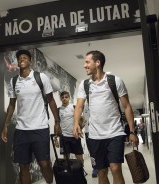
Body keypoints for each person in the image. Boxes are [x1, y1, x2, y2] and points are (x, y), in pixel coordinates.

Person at [73, 50, 139, 184]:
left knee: (115, 169)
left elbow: (127, 106)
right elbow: (79, 106)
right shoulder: (85, 85)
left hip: (115, 132)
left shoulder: (115, 81)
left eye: (87, 62)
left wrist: (132, 131)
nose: (84, 65)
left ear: (97, 63)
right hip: (95, 135)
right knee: (102, 171)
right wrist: (75, 123)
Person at [1, 50, 61, 184]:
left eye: (24, 57)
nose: (21, 59)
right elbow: (11, 105)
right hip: (21, 130)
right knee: (23, 166)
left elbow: (51, 100)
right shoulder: (14, 81)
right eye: (19, 58)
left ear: (30, 61)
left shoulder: (41, 77)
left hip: (40, 128)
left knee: (44, 164)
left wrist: (57, 122)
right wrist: (5, 125)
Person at [57, 91, 84, 164]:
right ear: (60, 99)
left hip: (74, 136)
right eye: (62, 97)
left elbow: (83, 120)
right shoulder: (59, 110)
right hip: (64, 137)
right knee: (66, 158)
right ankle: (69, 174)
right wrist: (56, 136)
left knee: (79, 157)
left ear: (69, 98)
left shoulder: (74, 107)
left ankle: (81, 173)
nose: (64, 99)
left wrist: (80, 129)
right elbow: (57, 123)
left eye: (66, 97)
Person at [83, 102, 99, 178]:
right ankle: (95, 168)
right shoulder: (83, 105)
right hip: (88, 132)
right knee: (92, 152)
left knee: (101, 150)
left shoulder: (98, 103)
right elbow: (83, 119)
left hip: (98, 131)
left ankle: (104, 165)